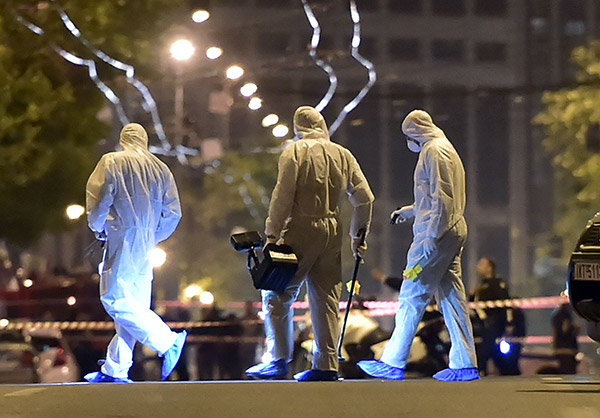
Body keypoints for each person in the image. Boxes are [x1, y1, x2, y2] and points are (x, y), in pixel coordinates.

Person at [245, 106, 374, 382]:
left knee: (276, 292)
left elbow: (283, 195)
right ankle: (326, 364)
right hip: (333, 229)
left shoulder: (294, 151)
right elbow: (365, 198)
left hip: (301, 228)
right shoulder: (343, 154)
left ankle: (278, 358)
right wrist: (358, 236)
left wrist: (272, 235)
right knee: (326, 296)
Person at [358, 109, 479, 382]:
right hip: (451, 230)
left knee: (412, 295)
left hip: (437, 235)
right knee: (452, 300)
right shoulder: (446, 149)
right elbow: (434, 199)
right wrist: (410, 211)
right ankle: (465, 363)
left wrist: (429, 242)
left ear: (414, 131)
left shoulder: (433, 151)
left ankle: (393, 361)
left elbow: (443, 200)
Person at [84, 123, 186, 383]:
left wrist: (98, 227)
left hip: (121, 234)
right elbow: (174, 213)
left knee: (114, 298)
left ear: (123, 139)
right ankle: (115, 369)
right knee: (135, 306)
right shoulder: (161, 169)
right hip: (147, 241)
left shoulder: (112, 161)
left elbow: (99, 198)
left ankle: (167, 341)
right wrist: (154, 235)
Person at [471, 257, 510, 375]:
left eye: (482, 264)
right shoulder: (481, 285)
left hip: (494, 321)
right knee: (490, 348)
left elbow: (505, 303)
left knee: (487, 347)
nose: (479, 267)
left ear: (489, 268)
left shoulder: (497, 283)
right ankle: (501, 370)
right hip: (482, 323)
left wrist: (509, 322)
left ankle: (481, 369)